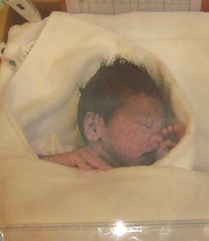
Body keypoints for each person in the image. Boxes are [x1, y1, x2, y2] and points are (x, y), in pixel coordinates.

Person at [43, 57, 183, 171]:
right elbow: (30, 171)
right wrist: (60, 160)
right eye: (146, 125)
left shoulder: (143, 169)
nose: (158, 138)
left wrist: (165, 161)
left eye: (160, 129)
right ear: (94, 128)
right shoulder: (66, 158)